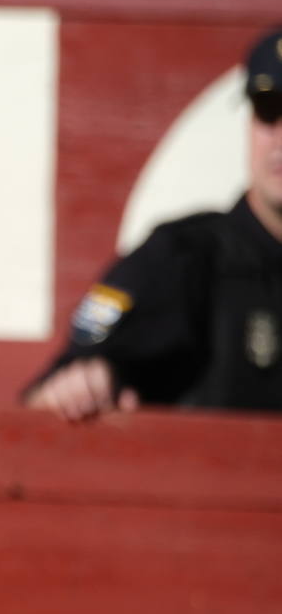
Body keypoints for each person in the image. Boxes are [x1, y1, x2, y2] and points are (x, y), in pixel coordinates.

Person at [26, 27, 282, 421]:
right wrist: (83, 384)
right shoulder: (184, 258)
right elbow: (56, 393)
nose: (281, 137)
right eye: (269, 111)